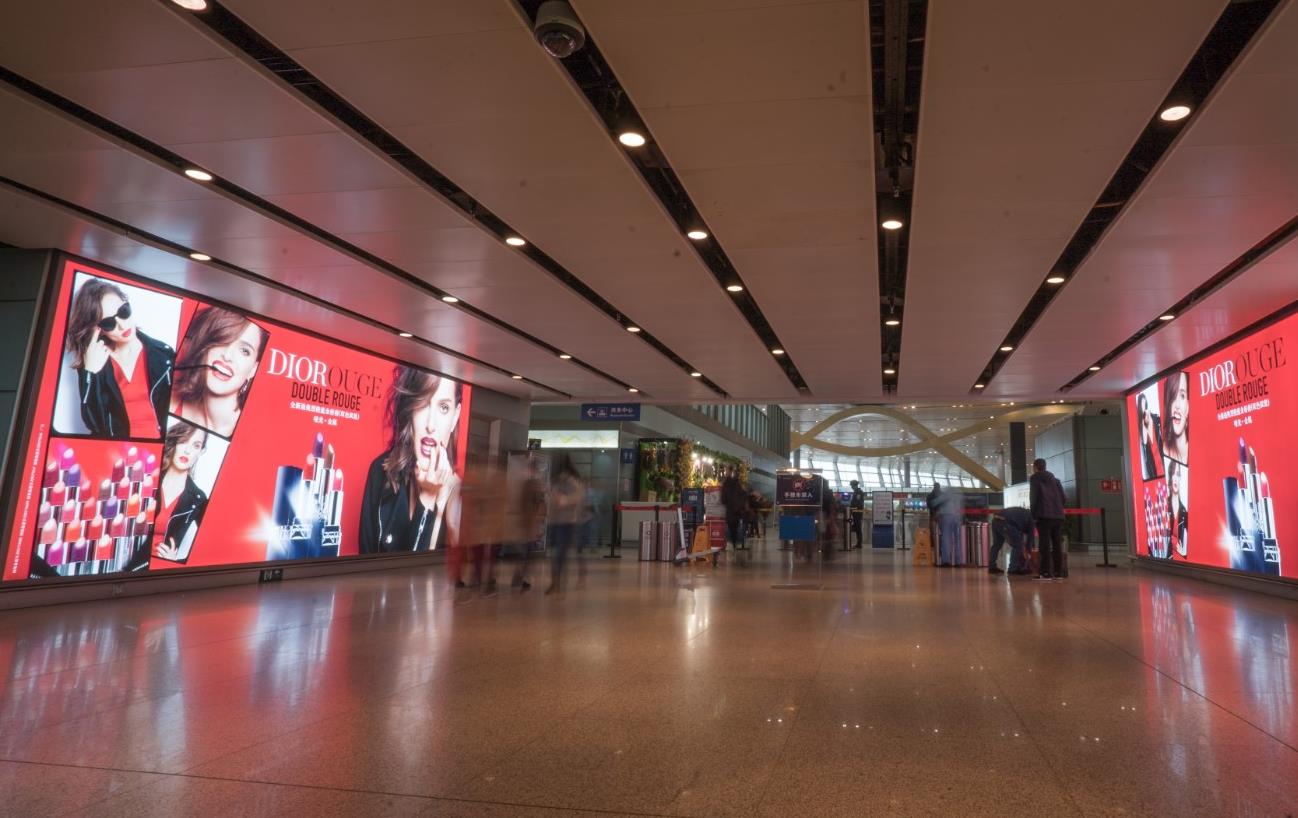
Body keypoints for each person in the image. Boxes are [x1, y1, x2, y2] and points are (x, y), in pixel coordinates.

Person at [360, 367, 464, 553]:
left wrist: (429, 501)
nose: (431, 425)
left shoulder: (460, 499)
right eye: (423, 403)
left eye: (443, 407)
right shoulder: (380, 472)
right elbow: (364, 563)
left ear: (455, 417)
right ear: (410, 408)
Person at [67, 278, 175, 439]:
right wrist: (90, 373)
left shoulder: (164, 354)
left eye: (123, 312)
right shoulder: (95, 361)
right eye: (109, 323)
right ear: (97, 329)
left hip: (162, 449)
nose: (122, 326)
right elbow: (95, 424)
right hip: (118, 450)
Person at [170, 306, 268, 438]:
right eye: (223, 340)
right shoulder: (171, 404)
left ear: (253, 369)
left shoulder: (253, 432)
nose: (227, 356)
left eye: (244, 351)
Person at [151, 421, 210, 565]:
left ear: (201, 451)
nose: (187, 451)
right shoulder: (149, 476)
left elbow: (212, 546)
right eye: (183, 441)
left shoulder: (198, 499)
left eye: (196, 445)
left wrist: (176, 562)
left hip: (159, 570)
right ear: (174, 442)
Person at [545, 455, 586, 595]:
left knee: (560, 554)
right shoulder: (557, 481)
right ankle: (556, 582)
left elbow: (574, 500)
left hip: (567, 522)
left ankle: (559, 583)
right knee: (556, 554)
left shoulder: (571, 482)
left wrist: (561, 499)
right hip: (556, 521)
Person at [1030, 458, 1067, 580]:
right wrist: (1058, 509)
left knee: (1044, 544)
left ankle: (1045, 573)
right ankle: (1058, 573)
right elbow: (1063, 498)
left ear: (1035, 467)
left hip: (1044, 516)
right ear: (1045, 466)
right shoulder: (1056, 480)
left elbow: (1034, 497)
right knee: (1057, 544)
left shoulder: (1035, 478)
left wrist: (1033, 515)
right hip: (1058, 516)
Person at [989, 506, 1034, 575]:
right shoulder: (1032, 520)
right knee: (1017, 545)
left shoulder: (1025, 514)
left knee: (997, 544)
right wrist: (1028, 551)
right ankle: (1013, 568)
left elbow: (1020, 534)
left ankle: (992, 567)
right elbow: (1030, 539)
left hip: (995, 519)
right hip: (1005, 522)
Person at [1160, 371, 1190, 465]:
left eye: (1182, 396)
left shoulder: (1198, 450)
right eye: (1173, 397)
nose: (1177, 405)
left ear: (1188, 406)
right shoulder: (1163, 451)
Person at [1136, 393, 1164, 480]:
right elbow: (1144, 441)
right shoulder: (1140, 424)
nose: (1144, 406)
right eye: (1142, 404)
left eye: (1145, 403)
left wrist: (1150, 417)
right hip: (1151, 457)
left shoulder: (1153, 417)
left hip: (1160, 451)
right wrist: (1143, 422)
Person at [934, 484, 963, 566]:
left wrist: (939, 510)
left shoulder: (946, 494)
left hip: (947, 517)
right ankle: (958, 562)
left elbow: (934, 502)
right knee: (958, 541)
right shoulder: (959, 495)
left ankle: (946, 561)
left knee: (946, 539)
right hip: (957, 518)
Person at [721, 468, 748, 551]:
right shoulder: (737, 484)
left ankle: (732, 544)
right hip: (737, 511)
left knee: (731, 527)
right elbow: (744, 494)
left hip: (730, 510)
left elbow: (723, 499)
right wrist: (740, 506)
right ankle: (735, 544)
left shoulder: (726, 485)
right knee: (735, 527)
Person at [1167, 459, 1188, 558]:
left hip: (1180, 559)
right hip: (1167, 558)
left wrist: (1184, 552)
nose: (1175, 478)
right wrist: (1175, 542)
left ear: (1180, 479)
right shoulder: (1164, 505)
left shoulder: (1184, 511)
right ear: (1170, 477)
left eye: (1178, 474)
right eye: (1173, 474)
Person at [849, 480, 866, 548]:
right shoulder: (856, 492)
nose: (851, 487)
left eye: (851, 485)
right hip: (856, 512)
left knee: (858, 527)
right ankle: (858, 543)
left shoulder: (858, 492)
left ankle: (859, 543)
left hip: (857, 512)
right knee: (857, 527)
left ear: (854, 485)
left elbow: (858, 502)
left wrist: (852, 507)